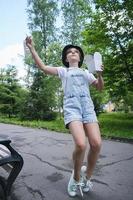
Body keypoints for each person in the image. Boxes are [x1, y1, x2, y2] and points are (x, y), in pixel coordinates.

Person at [25, 36, 104, 197]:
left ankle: (86, 177)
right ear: (66, 58)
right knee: (81, 144)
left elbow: (100, 88)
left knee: (96, 144)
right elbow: (43, 67)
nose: (73, 53)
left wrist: (100, 74)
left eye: (76, 51)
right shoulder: (64, 71)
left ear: (80, 58)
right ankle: (75, 178)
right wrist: (32, 49)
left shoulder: (86, 72)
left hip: (88, 109)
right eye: (70, 52)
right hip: (72, 109)